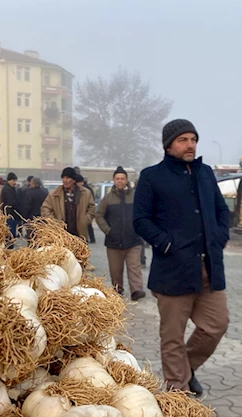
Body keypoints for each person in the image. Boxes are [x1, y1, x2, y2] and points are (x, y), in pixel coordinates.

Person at [133, 118, 229, 397]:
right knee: (172, 336)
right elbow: (140, 220)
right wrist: (166, 244)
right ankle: (178, 392)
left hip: (208, 267)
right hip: (173, 269)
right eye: (183, 140)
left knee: (216, 325)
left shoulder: (206, 173)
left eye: (193, 139)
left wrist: (219, 238)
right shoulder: (152, 176)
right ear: (168, 145)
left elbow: (222, 211)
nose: (190, 145)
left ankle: (186, 369)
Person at [95, 166, 146, 300]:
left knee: (134, 267)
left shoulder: (135, 196)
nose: (120, 181)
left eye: (122, 178)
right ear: (113, 180)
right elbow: (99, 215)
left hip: (133, 239)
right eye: (117, 179)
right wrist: (108, 230)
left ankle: (136, 290)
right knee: (115, 270)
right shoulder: (108, 198)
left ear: (126, 180)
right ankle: (118, 290)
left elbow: (143, 213)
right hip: (113, 240)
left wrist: (139, 229)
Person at [41, 167, 95, 240]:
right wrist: (54, 222)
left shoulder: (85, 193)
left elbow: (91, 208)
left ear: (74, 180)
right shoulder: (54, 194)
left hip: (79, 234)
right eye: (63, 178)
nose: (64, 180)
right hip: (61, 235)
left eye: (67, 178)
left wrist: (85, 220)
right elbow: (45, 209)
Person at [0, 173, 20, 239]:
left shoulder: (11, 189)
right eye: (13, 180)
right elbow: (11, 203)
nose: (15, 183)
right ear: (9, 180)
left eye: (15, 181)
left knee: (11, 234)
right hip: (10, 215)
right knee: (10, 234)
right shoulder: (7, 190)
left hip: (12, 215)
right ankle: (9, 248)